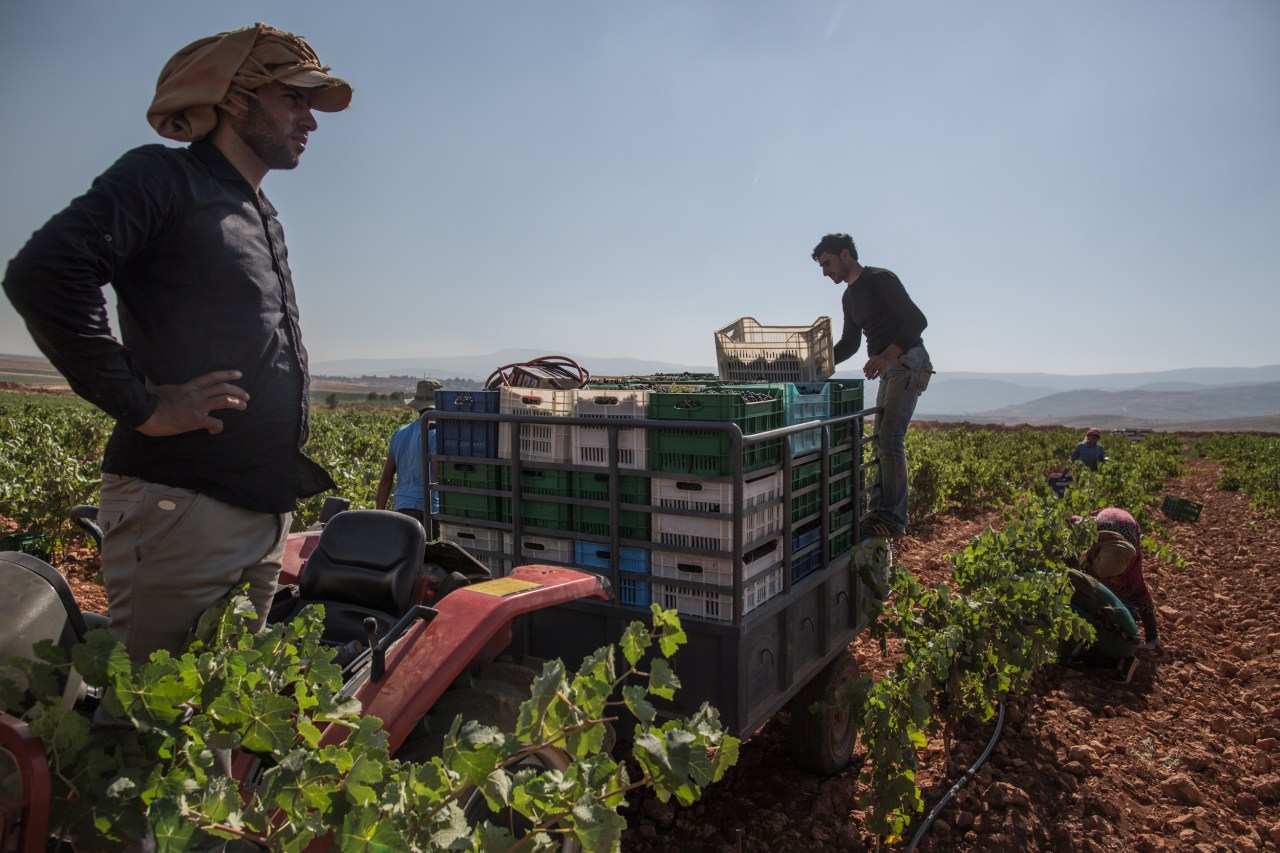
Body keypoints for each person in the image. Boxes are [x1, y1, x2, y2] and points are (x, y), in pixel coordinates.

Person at [2, 24, 352, 664]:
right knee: (150, 723)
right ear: (234, 96)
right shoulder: (164, 178)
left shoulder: (258, 211)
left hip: (257, 513)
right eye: (293, 99)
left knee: (217, 719)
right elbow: (46, 273)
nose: (310, 120)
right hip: (184, 508)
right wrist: (142, 405)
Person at [812, 233, 932, 539]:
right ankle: (881, 513)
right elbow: (850, 344)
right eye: (822, 267)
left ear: (845, 255)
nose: (825, 272)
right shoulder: (849, 298)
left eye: (827, 263)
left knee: (891, 438)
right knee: (881, 438)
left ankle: (892, 519)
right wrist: (817, 364)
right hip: (890, 366)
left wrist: (887, 355)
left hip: (908, 360)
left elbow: (917, 320)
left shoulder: (881, 280)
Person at [1078, 508, 1160, 651]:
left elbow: (1142, 595)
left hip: (1126, 528)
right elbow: (1074, 520)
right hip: (1104, 524)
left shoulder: (1131, 561)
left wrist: (1151, 635)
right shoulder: (1090, 532)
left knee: (1125, 589)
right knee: (1089, 578)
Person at [376, 379, 442, 537]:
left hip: (401, 510)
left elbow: (386, 477)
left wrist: (378, 514)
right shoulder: (437, 434)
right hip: (428, 512)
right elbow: (439, 475)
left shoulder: (400, 432)